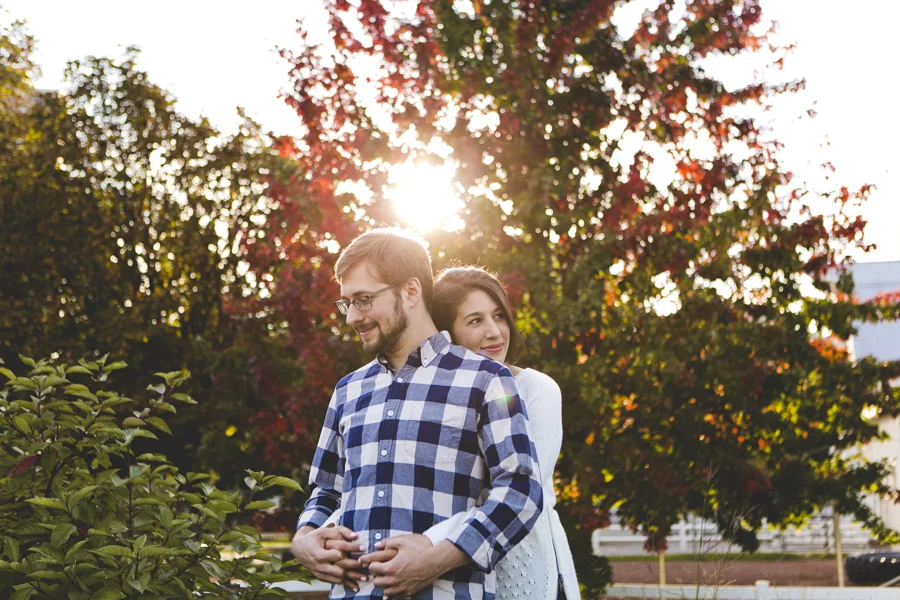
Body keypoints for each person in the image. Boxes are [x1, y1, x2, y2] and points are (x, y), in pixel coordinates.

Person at [290, 228, 544, 600]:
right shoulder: (349, 389)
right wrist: (303, 539)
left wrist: (438, 557)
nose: (352, 318)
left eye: (364, 300)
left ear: (410, 291)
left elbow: (521, 489)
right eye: (346, 304)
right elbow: (327, 492)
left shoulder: (487, 379)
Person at [423, 266, 580, 600]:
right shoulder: (433, 397)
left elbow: (517, 491)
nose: (495, 332)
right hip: (454, 575)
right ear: (445, 333)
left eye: (499, 316)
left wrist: (427, 543)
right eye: (476, 321)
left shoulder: (535, 389)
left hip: (529, 570)